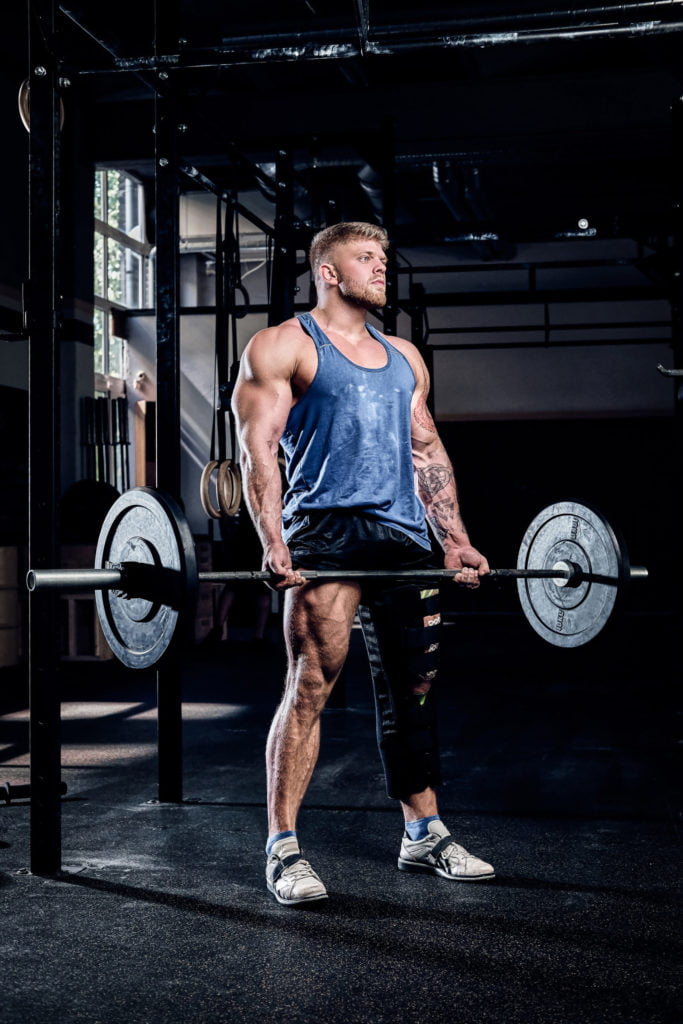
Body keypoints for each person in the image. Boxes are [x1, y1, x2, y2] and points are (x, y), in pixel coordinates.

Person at [231, 221, 494, 906]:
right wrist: (271, 540)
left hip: (403, 540)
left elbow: (426, 451)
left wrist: (455, 539)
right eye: (365, 258)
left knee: (416, 692)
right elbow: (258, 449)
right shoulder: (282, 345)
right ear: (327, 270)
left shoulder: (404, 355)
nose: (381, 267)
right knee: (310, 686)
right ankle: (282, 847)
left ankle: (423, 830)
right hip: (324, 535)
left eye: (382, 257)